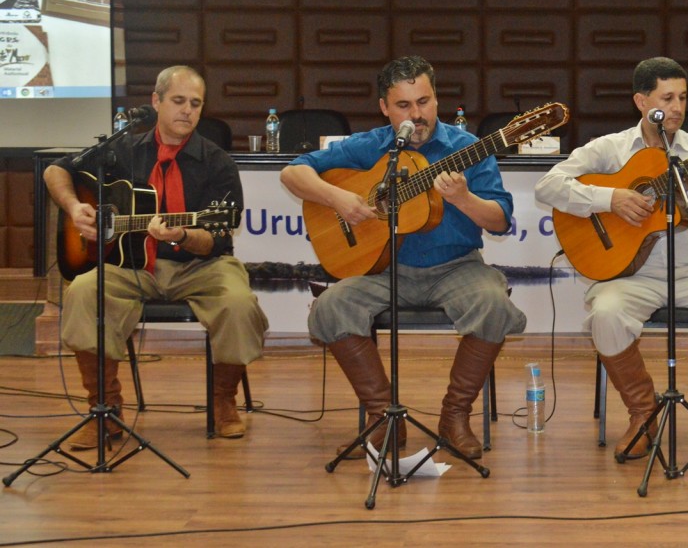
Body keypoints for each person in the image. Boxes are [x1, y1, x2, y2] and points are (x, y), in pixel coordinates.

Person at [535, 57, 688, 465]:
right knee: (607, 314)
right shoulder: (609, 148)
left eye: (683, 97)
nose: (679, 107)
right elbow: (548, 186)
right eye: (668, 97)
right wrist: (610, 198)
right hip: (630, 276)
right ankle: (643, 416)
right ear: (641, 101)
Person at [280, 55, 526, 459]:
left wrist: (464, 198)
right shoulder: (371, 146)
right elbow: (294, 172)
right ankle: (384, 422)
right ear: (384, 108)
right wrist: (339, 198)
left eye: (424, 102)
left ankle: (454, 416)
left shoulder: (468, 148)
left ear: (436, 99)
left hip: (456, 267)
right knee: (330, 307)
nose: (418, 114)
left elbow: (499, 222)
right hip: (383, 269)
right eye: (404, 106)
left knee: (493, 305)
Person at [43, 65, 268, 448]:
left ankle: (223, 401)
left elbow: (214, 239)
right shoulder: (122, 150)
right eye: (178, 101)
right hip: (130, 266)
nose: (187, 110)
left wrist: (181, 234)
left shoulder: (217, 163)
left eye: (195, 104)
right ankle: (105, 409)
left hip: (201, 266)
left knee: (238, 303)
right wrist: (73, 207)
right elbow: (55, 171)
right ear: (156, 102)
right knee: (83, 291)